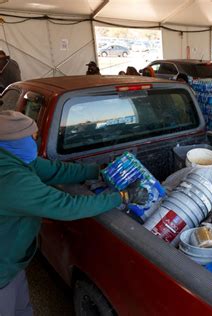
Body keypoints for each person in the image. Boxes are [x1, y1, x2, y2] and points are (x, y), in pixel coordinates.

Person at [0, 111, 148, 315]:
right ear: (14, 142)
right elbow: (68, 206)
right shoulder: (10, 180)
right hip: (2, 269)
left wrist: (100, 170)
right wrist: (122, 197)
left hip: (12, 262)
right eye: (32, 137)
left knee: (22, 309)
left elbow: (56, 170)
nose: (35, 141)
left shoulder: (13, 159)